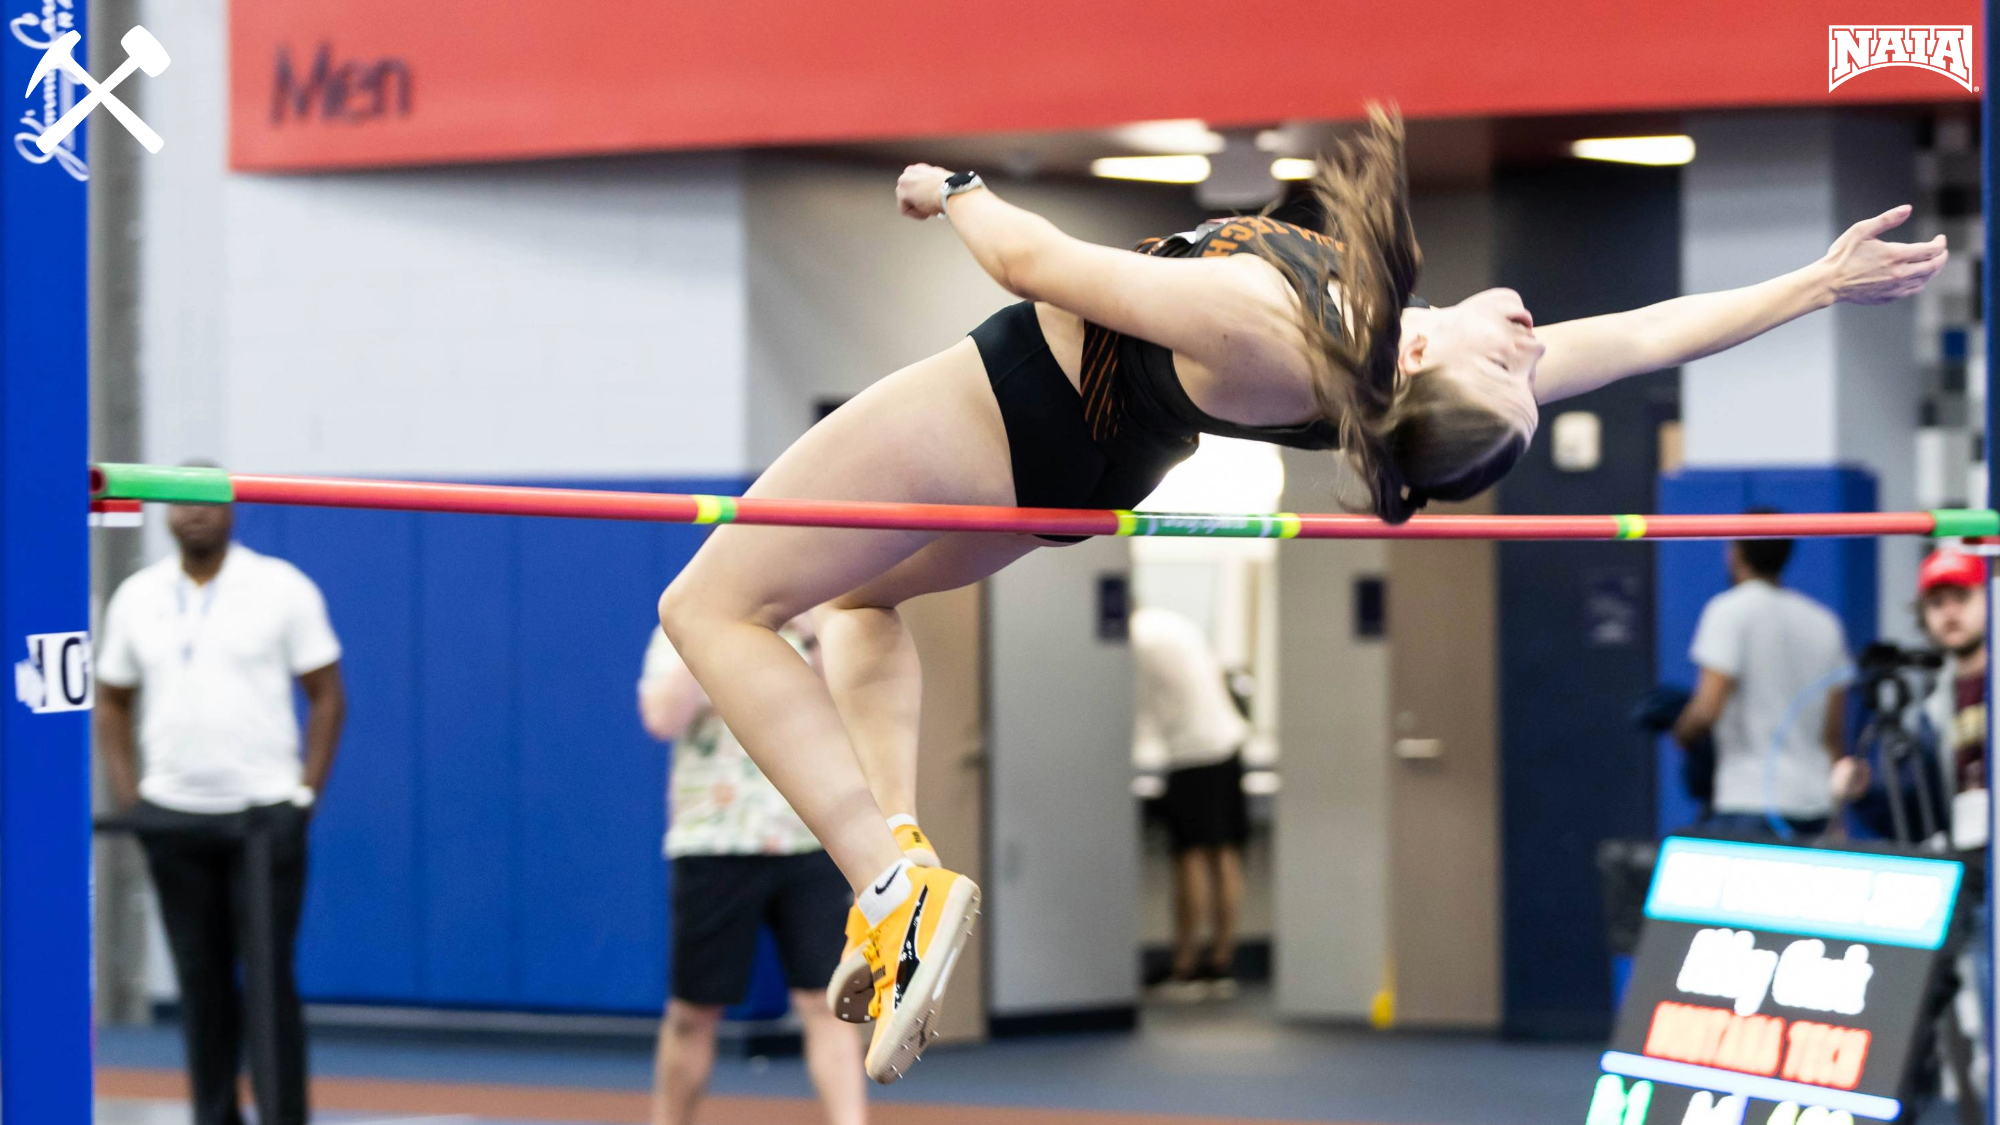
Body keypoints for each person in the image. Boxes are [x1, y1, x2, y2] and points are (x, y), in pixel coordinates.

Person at [656, 105, 1947, 1082]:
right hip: (1083, 481)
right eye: (1529, 360)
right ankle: (902, 854)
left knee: (710, 608)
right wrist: (1814, 287)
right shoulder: (1392, 356)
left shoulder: (1270, 319)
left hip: (1008, 410)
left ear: (1430, 353)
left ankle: (889, 889)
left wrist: (956, 189)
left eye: (1518, 353)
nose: (1533, 338)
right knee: (860, 610)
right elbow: (1646, 336)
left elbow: (1035, 266)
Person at [95, 492, 346, 1125]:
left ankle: (283, 1116)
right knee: (201, 986)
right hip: (173, 818)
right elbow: (112, 702)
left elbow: (327, 695)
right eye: (179, 504)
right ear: (166, 518)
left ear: (231, 513)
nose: (194, 514)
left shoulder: (280, 587)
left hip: (262, 820)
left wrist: (304, 797)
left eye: (206, 503)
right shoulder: (137, 596)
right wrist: (133, 799)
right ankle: (213, 1116)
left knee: (267, 983)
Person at [637, 619, 868, 1125]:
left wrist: (812, 636)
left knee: (827, 1004)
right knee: (692, 1012)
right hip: (714, 842)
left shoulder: (819, 627)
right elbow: (662, 716)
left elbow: (857, 707)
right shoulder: (686, 624)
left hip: (811, 836)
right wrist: (706, 639)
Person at [1671, 531, 1862, 837]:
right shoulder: (1824, 622)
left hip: (1748, 800)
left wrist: (1679, 728)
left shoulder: (1728, 611)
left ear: (1736, 552)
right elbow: (1834, 734)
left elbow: (1706, 711)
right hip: (1816, 804)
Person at [1131, 606, 1253, 1000]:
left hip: (1191, 753)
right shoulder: (1173, 622)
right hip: (1228, 743)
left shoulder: (1136, 638)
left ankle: (1185, 966)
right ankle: (1221, 961)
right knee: (1224, 851)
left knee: (1191, 854)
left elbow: (1140, 706)